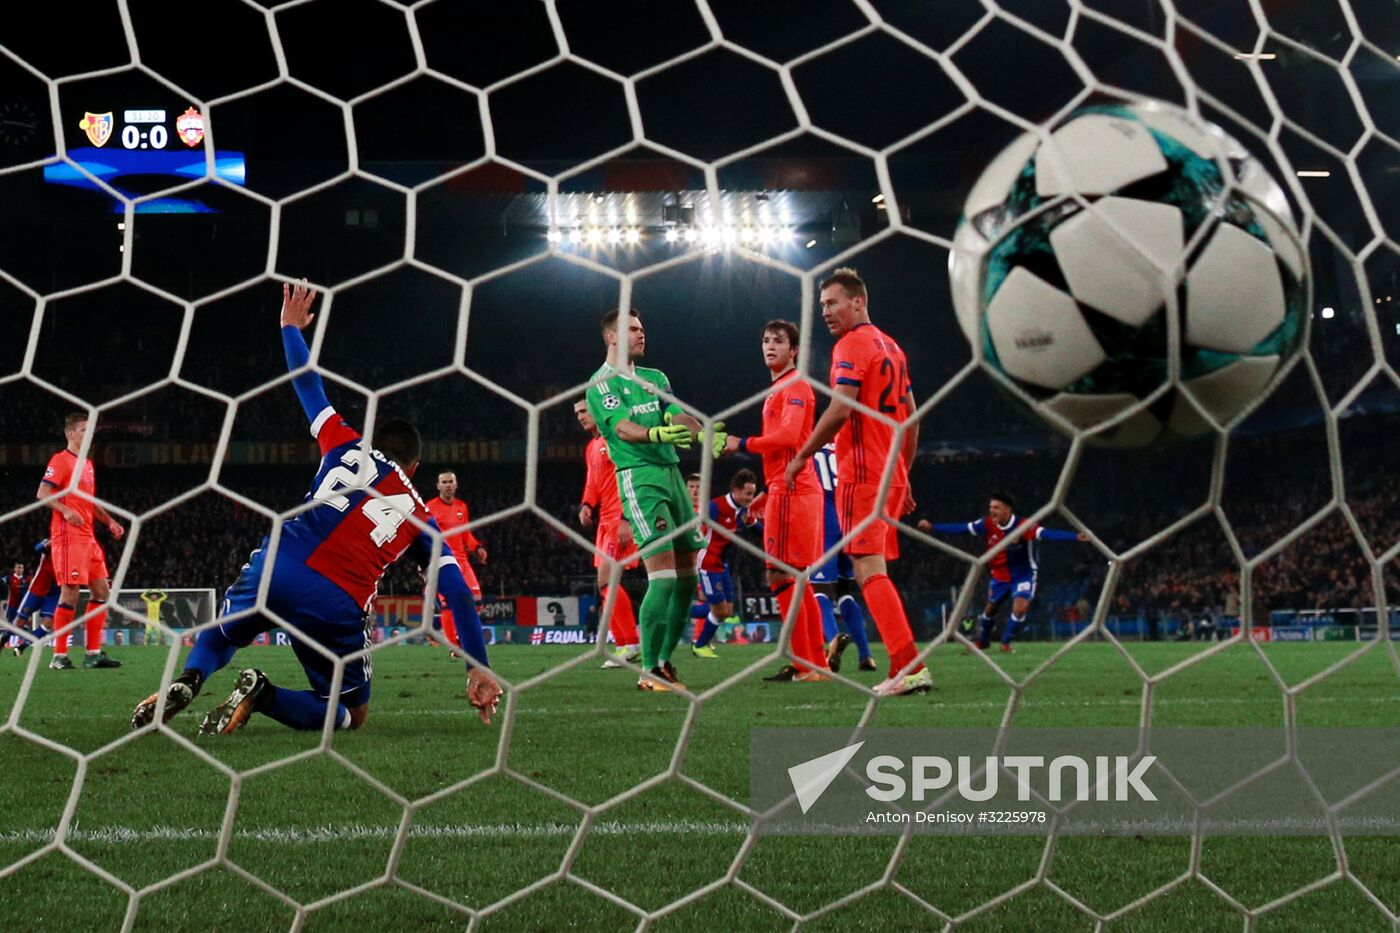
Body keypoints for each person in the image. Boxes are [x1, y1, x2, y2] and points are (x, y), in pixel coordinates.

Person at [131, 280, 500, 734]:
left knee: (223, 632)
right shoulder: (421, 515)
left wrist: (290, 329)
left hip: (276, 562)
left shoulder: (344, 441)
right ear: (416, 464)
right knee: (351, 713)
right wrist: (476, 667)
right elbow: (457, 593)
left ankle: (190, 677)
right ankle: (262, 692)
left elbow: (308, 384)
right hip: (335, 597)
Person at [785, 268, 928, 696]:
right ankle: (907, 664)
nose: (826, 311)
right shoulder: (893, 347)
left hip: (862, 473)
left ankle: (907, 666)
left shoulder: (851, 345)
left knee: (867, 569)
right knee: (871, 570)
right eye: (822, 304)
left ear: (858, 302)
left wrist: (803, 455)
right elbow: (912, 415)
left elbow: (840, 410)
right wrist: (903, 471)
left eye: (833, 303)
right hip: (889, 471)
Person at [584, 308, 724, 692]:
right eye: (632, 329)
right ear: (611, 337)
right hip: (640, 479)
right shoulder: (600, 385)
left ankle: (663, 662)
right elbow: (624, 429)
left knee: (686, 578)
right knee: (661, 577)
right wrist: (656, 436)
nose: (641, 334)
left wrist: (702, 435)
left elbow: (677, 414)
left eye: (643, 328)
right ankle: (648, 669)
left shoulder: (654, 378)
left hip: (673, 476)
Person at [723, 320, 831, 681]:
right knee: (797, 577)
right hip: (786, 488)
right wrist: (767, 493)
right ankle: (813, 663)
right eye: (766, 340)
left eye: (779, 341)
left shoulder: (795, 386)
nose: (770, 346)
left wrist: (741, 443)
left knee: (780, 574)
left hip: (796, 490)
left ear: (794, 350)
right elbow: (792, 445)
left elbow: (787, 437)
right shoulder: (779, 389)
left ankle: (807, 664)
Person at [920, 492, 1087, 651]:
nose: (992, 511)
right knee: (990, 610)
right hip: (1000, 575)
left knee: (1020, 608)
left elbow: (1047, 534)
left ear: (1008, 510)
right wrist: (933, 527)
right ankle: (983, 641)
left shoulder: (1022, 526)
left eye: (996, 507)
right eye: (991, 507)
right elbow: (962, 528)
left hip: (1023, 574)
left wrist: (1074, 537)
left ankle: (1005, 642)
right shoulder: (987, 524)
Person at [37, 412, 125, 670]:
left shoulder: (86, 463)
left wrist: (109, 521)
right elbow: (42, 493)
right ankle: (59, 656)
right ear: (71, 433)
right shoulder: (61, 460)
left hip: (88, 536)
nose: (90, 435)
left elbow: (90, 502)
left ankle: (93, 653)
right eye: (85, 430)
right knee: (71, 593)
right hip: (68, 537)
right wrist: (64, 510)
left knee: (102, 592)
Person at [575, 399, 641, 668]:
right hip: (605, 521)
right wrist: (586, 504)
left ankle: (631, 642)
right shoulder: (592, 446)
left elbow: (632, 474)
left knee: (607, 581)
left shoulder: (616, 437)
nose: (580, 416)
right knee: (605, 584)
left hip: (620, 519)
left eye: (584, 411)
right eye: (577, 413)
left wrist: (627, 518)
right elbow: (593, 482)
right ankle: (625, 643)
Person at [810, 441, 876, 673]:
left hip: (824, 525)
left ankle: (833, 641)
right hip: (851, 523)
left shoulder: (811, 452)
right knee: (845, 592)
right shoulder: (853, 450)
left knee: (819, 588)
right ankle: (866, 655)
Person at [691, 469, 760, 659]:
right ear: (736, 491)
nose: (750, 498)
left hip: (722, 564)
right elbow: (700, 531)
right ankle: (699, 643)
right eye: (748, 494)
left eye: (752, 494)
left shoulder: (743, 511)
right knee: (719, 610)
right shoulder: (715, 506)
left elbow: (757, 530)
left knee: (727, 611)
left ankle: (697, 638)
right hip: (707, 562)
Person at [424, 469, 487, 657]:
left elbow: (465, 535)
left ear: (456, 484)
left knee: (477, 601)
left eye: (451, 481)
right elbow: (424, 536)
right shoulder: (430, 508)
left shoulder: (462, 507)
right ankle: (454, 646)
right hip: (443, 561)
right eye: (444, 482)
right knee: (448, 604)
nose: (448, 485)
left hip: (462, 561)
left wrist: (477, 548)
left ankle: (461, 636)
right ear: (438, 486)